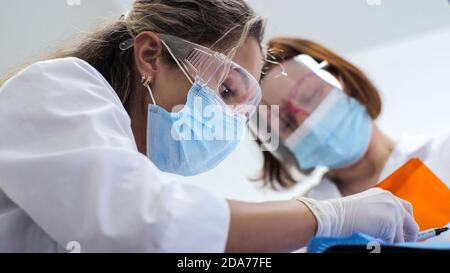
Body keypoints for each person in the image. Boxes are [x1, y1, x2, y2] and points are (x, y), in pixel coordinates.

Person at [0, 1, 418, 253]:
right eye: (227, 88)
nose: (227, 118)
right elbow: (153, 225)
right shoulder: (58, 88)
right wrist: (327, 218)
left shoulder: (124, 159)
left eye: (242, 105)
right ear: (149, 54)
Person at [255, 37, 450, 228]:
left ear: (346, 82)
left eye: (310, 95)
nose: (308, 123)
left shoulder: (442, 156)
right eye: (288, 124)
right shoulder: (305, 220)